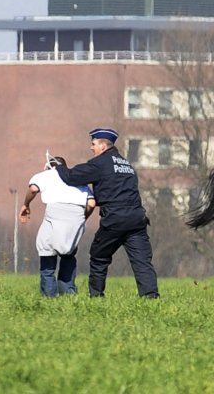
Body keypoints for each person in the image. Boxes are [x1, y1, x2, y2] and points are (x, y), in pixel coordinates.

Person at [55, 128, 160, 299]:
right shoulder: (126, 164)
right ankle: (151, 297)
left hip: (115, 219)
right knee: (142, 262)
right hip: (137, 219)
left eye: (93, 144)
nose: (91, 148)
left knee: (99, 256)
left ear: (103, 146)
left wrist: (59, 166)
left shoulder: (100, 164)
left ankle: (96, 296)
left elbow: (71, 177)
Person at [20, 154, 96, 297]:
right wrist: (81, 219)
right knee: (68, 253)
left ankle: (48, 295)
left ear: (49, 166)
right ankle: (68, 293)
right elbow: (91, 203)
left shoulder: (46, 175)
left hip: (55, 211)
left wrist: (26, 204)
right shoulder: (76, 177)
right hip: (77, 212)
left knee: (46, 250)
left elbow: (33, 189)